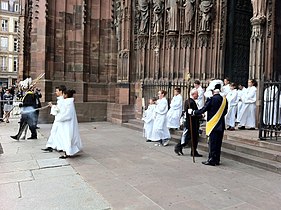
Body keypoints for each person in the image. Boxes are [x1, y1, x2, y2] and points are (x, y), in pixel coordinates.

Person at [188, 82, 228, 166]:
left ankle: (211, 160)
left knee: (212, 143)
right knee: (218, 143)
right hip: (221, 124)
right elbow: (225, 112)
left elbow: (203, 109)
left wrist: (193, 112)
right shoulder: (224, 99)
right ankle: (217, 159)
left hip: (212, 124)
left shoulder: (212, 99)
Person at [55, 89, 82, 158]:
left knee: (67, 138)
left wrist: (59, 118)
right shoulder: (67, 102)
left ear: (66, 95)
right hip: (66, 124)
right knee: (66, 138)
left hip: (67, 124)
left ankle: (68, 153)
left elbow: (67, 115)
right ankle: (68, 152)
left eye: (63, 94)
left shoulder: (68, 103)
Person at [174, 89, 203, 157]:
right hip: (191, 123)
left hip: (191, 123)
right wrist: (200, 115)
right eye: (196, 94)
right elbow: (192, 113)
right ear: (193, 94)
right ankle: (179, 147)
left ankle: (193, 151)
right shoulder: (190, 102)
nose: (198, 95)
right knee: (190, 137)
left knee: (192, 138)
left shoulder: (189, 101)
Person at [42, 85, 67, 152]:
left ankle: (57, 146)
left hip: (60, 119)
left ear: (61, 91)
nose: (56, 92)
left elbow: (59, 109)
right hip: (58, 119)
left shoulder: (63, 99)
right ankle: (51, 145)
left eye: (57, 91)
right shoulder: (61, 99)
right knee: (54, 132)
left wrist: (52, 106)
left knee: (58, 132)